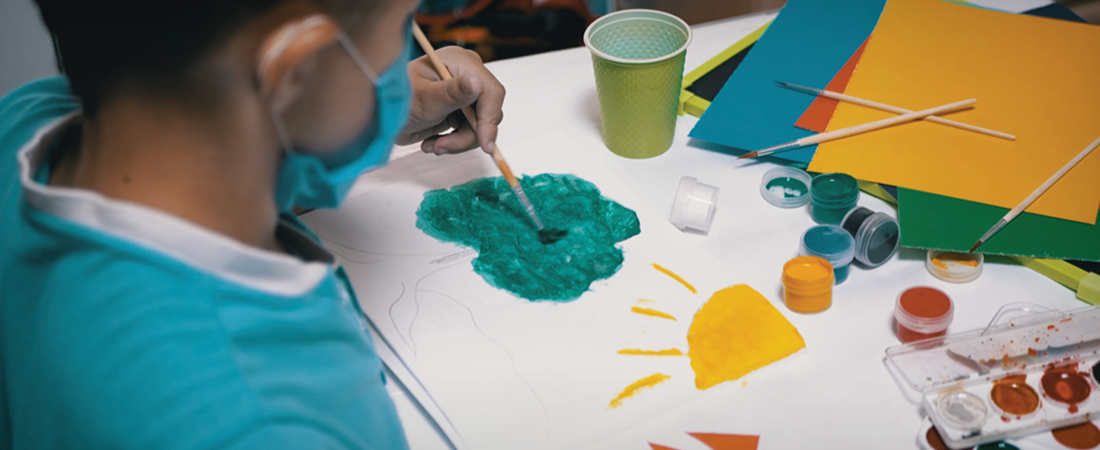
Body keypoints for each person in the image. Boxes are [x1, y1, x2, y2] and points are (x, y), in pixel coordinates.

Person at [0, 0, 505, 448]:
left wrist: (352, 108)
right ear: (296, 70)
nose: (399, 66)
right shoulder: (275, 423)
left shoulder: (24, 117)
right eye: (399, 28)